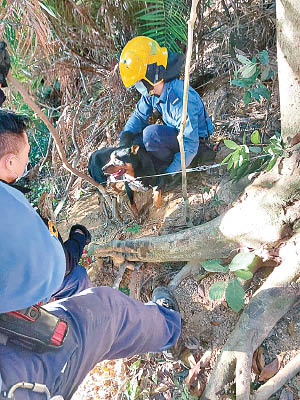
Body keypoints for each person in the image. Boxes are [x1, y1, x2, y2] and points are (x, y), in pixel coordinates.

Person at [0, 109, 181, 399]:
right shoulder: (8, 207)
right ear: (10, 163)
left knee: (76, 279)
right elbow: (54, 267)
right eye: (26, 154)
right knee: (108, 309)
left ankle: (85, 332)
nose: (28, 158)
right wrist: (76, 243)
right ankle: (170, 328)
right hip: (18, 379)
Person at [119, 36, 214, 187]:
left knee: (151, 135)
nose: (138, 86)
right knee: (135, 140)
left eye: (139, 82)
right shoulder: (153, 92)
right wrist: (125, 137)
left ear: (151, 74)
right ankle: (149, 175)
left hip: (195, 145)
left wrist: (169, 175)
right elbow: (139, 115)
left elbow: (189, 145)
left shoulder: (181, 98)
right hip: (175, 137)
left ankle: (174, 169)